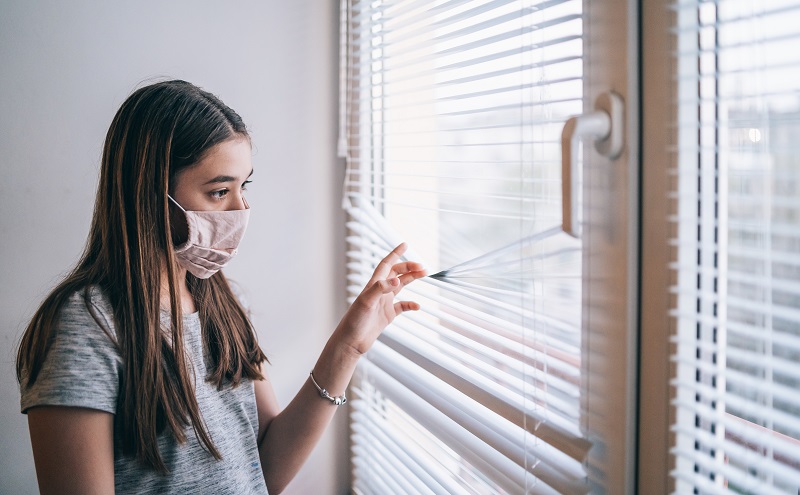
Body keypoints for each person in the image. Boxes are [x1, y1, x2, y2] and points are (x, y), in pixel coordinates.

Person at [15, 79, 426, 494]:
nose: (241, 209)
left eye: (242, 187)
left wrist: (347, 347)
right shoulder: (83, 328)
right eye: (218, 191)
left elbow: (263, 471)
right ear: (148, 195)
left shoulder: (223, 302)